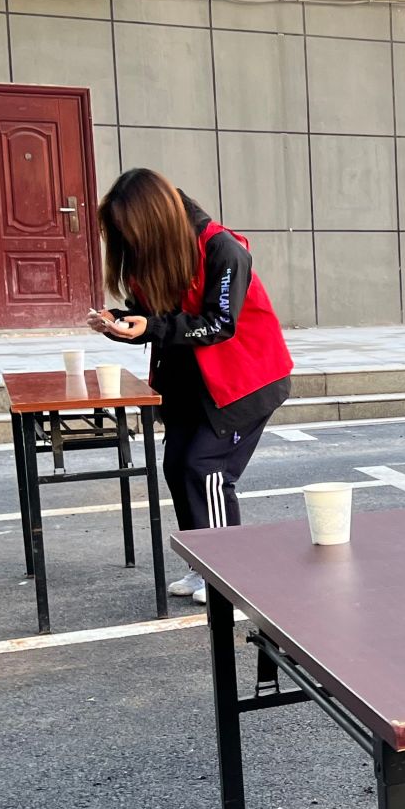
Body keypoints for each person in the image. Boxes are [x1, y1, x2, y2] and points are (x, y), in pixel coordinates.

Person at [91, 168, 293, 604]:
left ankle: (227, 573)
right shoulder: (152, 254)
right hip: (188, 382)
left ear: (154, 220)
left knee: (206, 469)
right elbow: (155, 319)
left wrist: (153, 327)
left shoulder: (222, 249)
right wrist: (119, 324)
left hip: (243, 381)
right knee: (178, 469)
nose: (128, 240)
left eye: (131, 229)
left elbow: (220, 324)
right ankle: (203, 566)